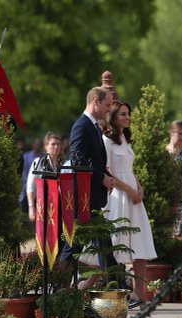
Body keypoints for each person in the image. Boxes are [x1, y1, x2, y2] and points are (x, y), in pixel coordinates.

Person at [81, 100, 157, 305]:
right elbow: (110, 170)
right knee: (110, 245)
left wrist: (139, 187)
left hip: (133, 197)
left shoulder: (125, 138)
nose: (127, 117)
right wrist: (131, 190)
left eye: (128, 114)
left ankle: (139, 294)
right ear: (114, 116)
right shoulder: (106, 139)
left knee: (139, 245)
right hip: (117, 197)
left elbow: (129, 169)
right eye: (123, 114)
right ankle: (83, 289)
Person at [59, 87, 117, 285]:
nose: (109, 109)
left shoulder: (92, 126)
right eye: (107, 105)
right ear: (95, 101)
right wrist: (101, 178)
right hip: (82, 199)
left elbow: (93, 161)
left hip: (90, 198)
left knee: (101, 245)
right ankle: (57, 290)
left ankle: (118, 290)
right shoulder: (82, 126)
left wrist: (107, 176)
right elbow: (77, 160)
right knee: (74, 246)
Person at [26, 133, 62, 221]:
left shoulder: (61, 164)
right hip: (42, 205)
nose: (56, 147)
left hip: (57, 206)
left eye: (58, 144)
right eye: (53, 144)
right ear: (46, 146)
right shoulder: (39, 162)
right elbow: (30, 187)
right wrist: (31, 207)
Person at [20, 137, 44, 213]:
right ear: (32, 145)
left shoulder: (43, 157)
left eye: (39, 144)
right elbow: (23, 170)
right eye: (36, 144)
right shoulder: (26, 156)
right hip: (26, 181)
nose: (37, 146)